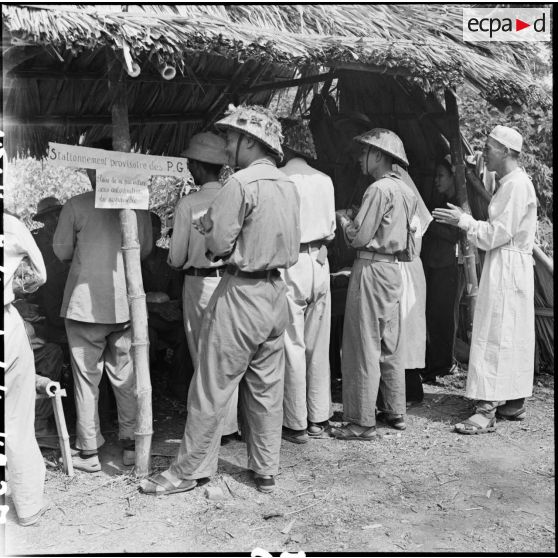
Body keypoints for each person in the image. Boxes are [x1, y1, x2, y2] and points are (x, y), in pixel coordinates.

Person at [140, 104, 300, 495]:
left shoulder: (241, 185)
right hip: (276, 293)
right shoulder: (287, 185)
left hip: (241, 292)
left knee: (210, 386)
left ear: (251, 141)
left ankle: (188, 470)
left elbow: (218, 244)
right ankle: (265, 469)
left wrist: (208, 229)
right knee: (265, 387)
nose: (227, 146)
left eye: (232, 138)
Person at [53, 141, 152, 471]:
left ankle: (90, 452)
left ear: (91, 169)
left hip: (86, 305)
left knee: (86, 379)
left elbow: (62, 252)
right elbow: (146, 251)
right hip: (126, 303)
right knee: (126, 376)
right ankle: (129, 444)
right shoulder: (137, 205)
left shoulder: (76, 205)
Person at [432, 125, 537, 434]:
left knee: (495, 331)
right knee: (511, 331)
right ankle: (514, 400)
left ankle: (486, 408)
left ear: (505, 151)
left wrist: (463, 221)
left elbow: (497, 234)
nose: (484, 153)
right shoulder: (512, 183)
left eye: (489, 148)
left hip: (506, 265)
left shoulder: (516, 185)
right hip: (508, 265)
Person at [333, 129, 417, 440]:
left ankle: (360, 421)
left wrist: (344, 221)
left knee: (361, 344)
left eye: (364, 153)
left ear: (378, 156)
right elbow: (412, 243)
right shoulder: (406, 192)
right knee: (390, 343)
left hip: (369, 267)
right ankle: (395, 411)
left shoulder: (378, 190)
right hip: (394, 271)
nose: (359, 159)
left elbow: (359, 236)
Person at [168, 132, 239, 442]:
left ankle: (210, 428)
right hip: (233, 281)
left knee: (201, 354)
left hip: (199, 283)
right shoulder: (234, 197)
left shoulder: (189, 203)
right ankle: (231, 425)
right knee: (228, 354)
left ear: (198, 166)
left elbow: (176, 257)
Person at [278, 119, 336, 443]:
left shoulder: (282, 179)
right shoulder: (325, 180)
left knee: (293, 342)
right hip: (320, 260)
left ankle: (296, 421)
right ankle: (319, 417)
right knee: (318, 344)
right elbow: (330, 229)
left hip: (293, 260)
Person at [3, 212, 49, 526]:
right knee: (17, 417)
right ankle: (28, 504)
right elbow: (39, 276)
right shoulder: (9, 224)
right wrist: (15, 285)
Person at [421, 156, 463, 385]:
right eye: (435, 175)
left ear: (452, 178)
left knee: (443, 316)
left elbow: (455, 235)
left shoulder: (457, 204)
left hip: (448, 266)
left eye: (441, 175)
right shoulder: (441, 202)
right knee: (434, 315)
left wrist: (430, 224)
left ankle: (442, 363)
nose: (437, 180)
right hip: (435, 265)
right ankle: (436, 362)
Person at [393, 165, 432, 405]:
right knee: (401, 328)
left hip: (406, 267)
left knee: (407, 327)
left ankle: (409, 389)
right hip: (401, 267)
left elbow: (413, 246)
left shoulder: (411, 208)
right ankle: (400, 388)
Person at [31, 196, 69, 344]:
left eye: (57, 214)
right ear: (42, 219)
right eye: (49, 216)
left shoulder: (71, 234)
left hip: (68, 284)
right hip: (46, 288)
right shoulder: (35, 238)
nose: (55, 219)